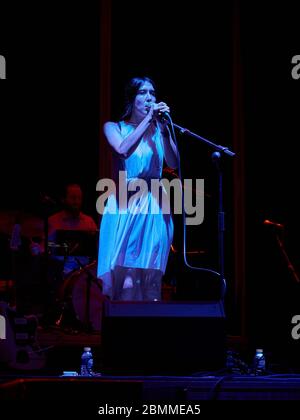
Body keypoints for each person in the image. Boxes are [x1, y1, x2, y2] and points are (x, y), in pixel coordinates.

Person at [97, 76, 179, 301]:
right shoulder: (114, 127)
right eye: (143, 92)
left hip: (155, 204)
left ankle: (152, 333)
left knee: (152, 277)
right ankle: (126, 332)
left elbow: (173, 163)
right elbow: (123, 149)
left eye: (152, 93)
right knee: (128, 278)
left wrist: (162, 130)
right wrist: (148, 121)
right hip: (127, 201)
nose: (150, 97)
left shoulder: (158, 131)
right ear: (132, 99)